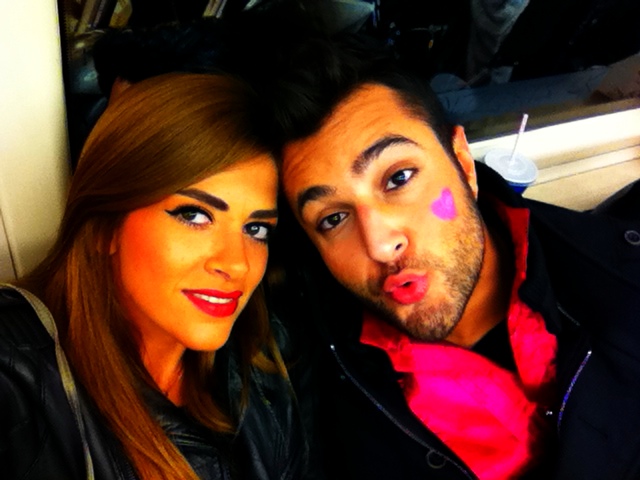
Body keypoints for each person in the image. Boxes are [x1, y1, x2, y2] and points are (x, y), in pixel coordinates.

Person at [258, 30, 640, 480]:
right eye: (333, 218)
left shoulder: (621, 287)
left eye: (398, 178)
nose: (379, 244)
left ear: (462, 161)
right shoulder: (316, 405)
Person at [0, 72, 307, 480]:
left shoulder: (263, 362)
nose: (237, 264)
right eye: (194, 215)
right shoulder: (14, 375)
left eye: (256, 229)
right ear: (105, 228)